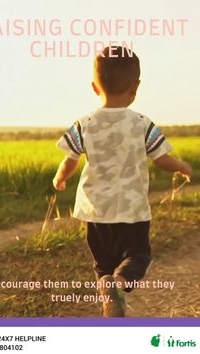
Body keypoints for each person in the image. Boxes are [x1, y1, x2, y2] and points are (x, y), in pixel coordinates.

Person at [52, 46, 192, 317]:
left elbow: (70, 160)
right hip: (132, 210)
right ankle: (118, 284)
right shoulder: (142, 124)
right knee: (138, 256)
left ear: (94, 86)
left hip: (96, 212)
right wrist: (182, 166)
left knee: (103, 263)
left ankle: (108, 287)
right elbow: (162, 159)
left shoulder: (84, 124)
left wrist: (60, 177)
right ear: (135, 88)